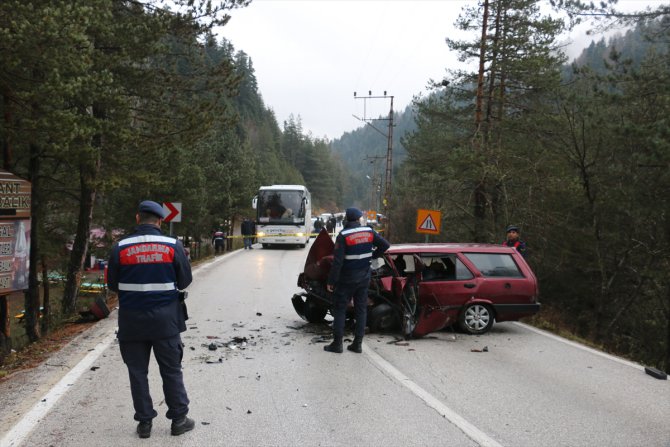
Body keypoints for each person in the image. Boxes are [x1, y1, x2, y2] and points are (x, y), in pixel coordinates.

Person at [107, 200, 195, 439]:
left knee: (137, 372)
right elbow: (185, 281)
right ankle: (179, 420)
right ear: (160, 221)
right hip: (165, 322)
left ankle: (144, 423)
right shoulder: (172, 245)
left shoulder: (120, 248)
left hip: (131, 322)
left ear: (138, 218)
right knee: (171, 370)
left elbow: (112, 284)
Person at [324, 207, 390, 354]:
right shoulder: (369, 232)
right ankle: (357, 344)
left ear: (347, 219)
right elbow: (385, 245)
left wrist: (331, 281)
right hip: (364, 277)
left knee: (340, 309)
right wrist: (372, 256)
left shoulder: (343, 235)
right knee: (361, 310)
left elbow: (337, 262)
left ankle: (337, 344)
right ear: (359, 219)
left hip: (347, 279)